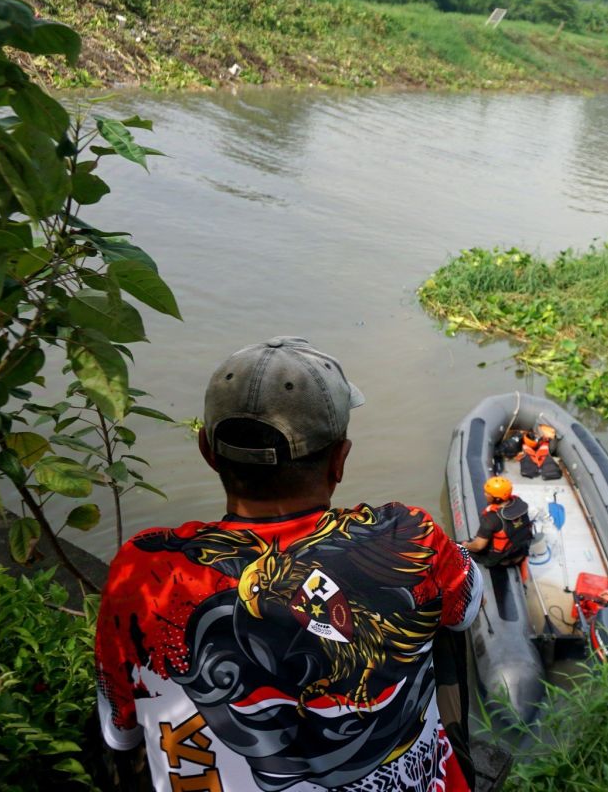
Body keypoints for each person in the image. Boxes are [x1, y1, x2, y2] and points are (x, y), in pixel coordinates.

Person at [94, 336, 483, 792]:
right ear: (340, 460)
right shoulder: (408, 534)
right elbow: (468, 606)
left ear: (207, 451)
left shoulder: (144, 573)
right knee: (439, 614)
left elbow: (119, 735)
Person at [461, 476, 534, 568]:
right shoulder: (519, 504)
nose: (484, 494)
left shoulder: (491, 518)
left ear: (497, 499)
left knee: (460, 548)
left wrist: (466, 545)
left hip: (502, 560)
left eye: (488, 493)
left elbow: (478, 546)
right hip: (520, 553)